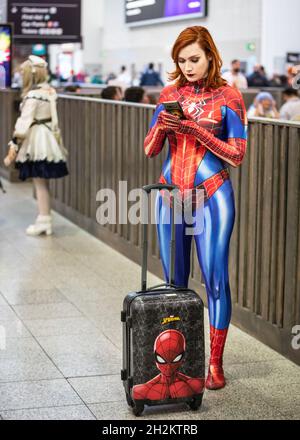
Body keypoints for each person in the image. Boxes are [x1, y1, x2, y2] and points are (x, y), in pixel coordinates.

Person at [144, 26, 248, 390]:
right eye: (181, 60)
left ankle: (215, 364)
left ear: (210, 57)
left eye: (194, 59)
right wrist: (162, 125)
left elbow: (237, 154)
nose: (187, 66)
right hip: (171, 195)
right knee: (174, 283)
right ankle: (177, 363)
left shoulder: (229, 96)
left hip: (213, 194)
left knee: (215, 279)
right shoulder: (169, 93)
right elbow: (150, 149)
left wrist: (195, 130)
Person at [3, 55, 68, 236]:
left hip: (37, 139)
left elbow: (24, 123)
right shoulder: (50, 92)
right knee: (42, 182)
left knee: (39, 182)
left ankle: (44, 219)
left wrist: (14, 146)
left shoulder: (33, 95)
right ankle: (44, 219)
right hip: (47, 137)